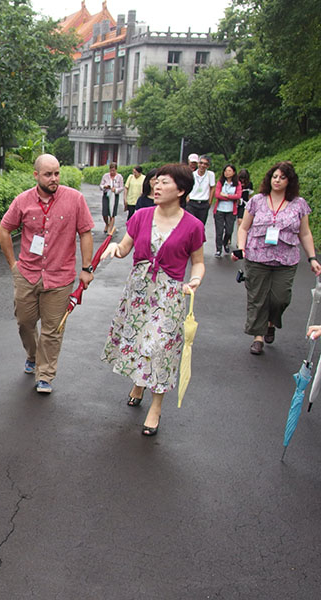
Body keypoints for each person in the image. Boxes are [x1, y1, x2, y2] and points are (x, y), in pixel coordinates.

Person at [101, 163, 206, 436]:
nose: (155, 187)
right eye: (155, 182)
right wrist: (115, 247)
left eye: (164, 183)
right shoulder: (141, 216)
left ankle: (156, 406)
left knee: (159, 348)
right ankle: (138, 384)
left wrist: (195, 280)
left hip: (169, 295)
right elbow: (125, 248)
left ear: (181, 190)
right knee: (139, 342)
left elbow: (198, 263)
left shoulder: (193, 226)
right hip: (138, 293)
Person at [0, 154, 94, 394]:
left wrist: (86, 268)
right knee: (25, 323)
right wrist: (13, 264)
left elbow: (85, 233)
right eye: (48, 174)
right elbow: (4, 228)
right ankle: (32, 355)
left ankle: (45, 375)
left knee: (53, 329)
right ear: (36, 175)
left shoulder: (75, 199)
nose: (54, 179)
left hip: (60, 277)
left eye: (57, 173)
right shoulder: (23, 201)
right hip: (27, 273)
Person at [234, 161, 321, 355]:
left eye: (282, 178)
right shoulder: (257, 200)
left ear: (290, 181)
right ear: (269, 178)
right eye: (275, 177)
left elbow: (305, 234)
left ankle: (271, 322)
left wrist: (312, 258)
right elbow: (244, 227)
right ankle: (258, 337)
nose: (277, 181)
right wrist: (241, 248)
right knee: (257, 298)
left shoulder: (299, 204)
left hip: (286, 259)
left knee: (280, 298)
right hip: (257, 257)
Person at [213, 164, 242, 257]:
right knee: (219, 231)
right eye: (226, 171)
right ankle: (218, 249)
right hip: (219, 209)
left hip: (231, 210)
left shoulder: (237, 184)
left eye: (229, 171)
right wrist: (231, 197)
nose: (227, 173)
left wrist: (226, 195)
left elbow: (238, 196)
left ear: (233, 172)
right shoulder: (220, 182)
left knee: (229, 230)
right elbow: (217, 195)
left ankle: (225, 243)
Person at [185, 155, 215, 226]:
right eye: (201, 163)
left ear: (208, 166)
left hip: (203, 203)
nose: (202, 165)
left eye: (205, 164)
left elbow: (212, 188)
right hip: (192, 202)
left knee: (200, 226)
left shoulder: (210, 174)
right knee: (190, 224)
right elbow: (186, 186)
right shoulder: (192, 174)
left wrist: (210, 202)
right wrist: (187, 199)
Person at [99, 162, 124, 234]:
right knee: (105, 212)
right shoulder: (105, 176)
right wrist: (105, 186)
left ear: (116, 170)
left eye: (113, 170)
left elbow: (121, 187)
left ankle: (110, 229)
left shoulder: (119, 177)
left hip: (114, 195)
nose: (112, 172)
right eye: (111, 170)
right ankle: (107, 224)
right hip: (106, 195)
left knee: (112, 213)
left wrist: (115, 190)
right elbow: (101, 185)